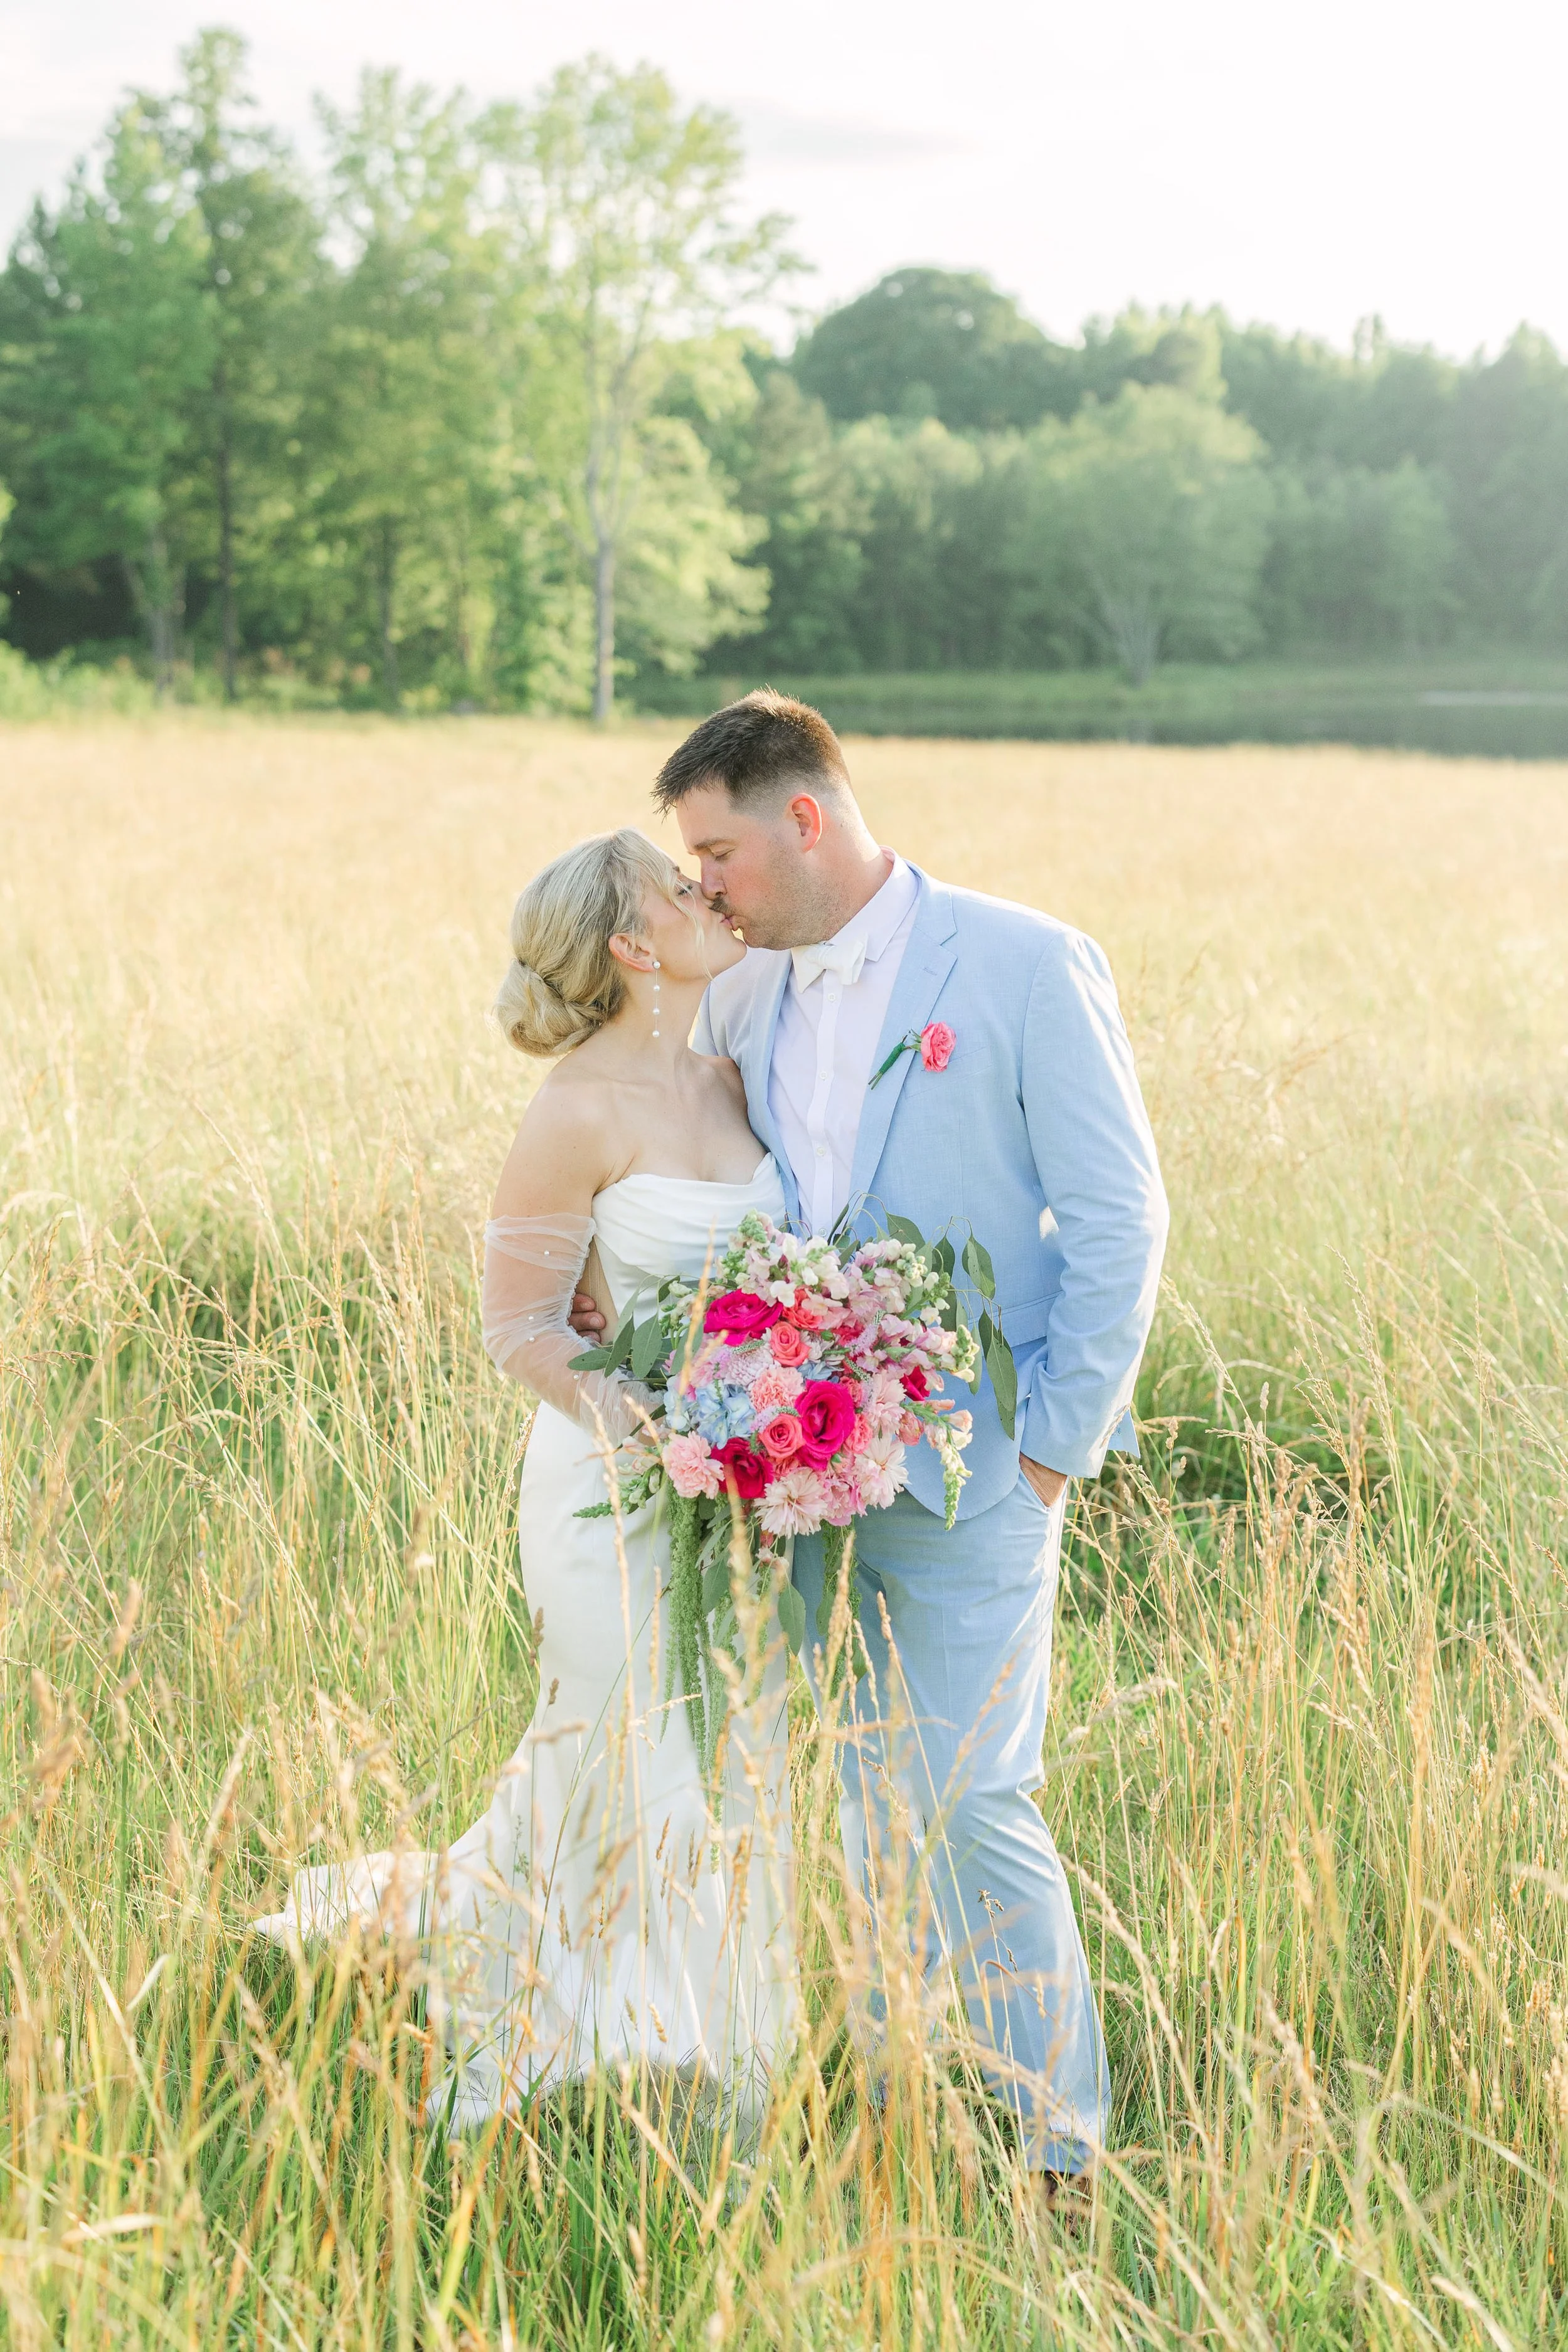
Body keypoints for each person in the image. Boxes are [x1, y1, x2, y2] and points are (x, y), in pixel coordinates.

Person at [572, 692, 1168, 2183]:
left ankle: (1055, 2148)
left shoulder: (1025, 963)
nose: (698, 883)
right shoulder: (743, 990)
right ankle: (895, 2103)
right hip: (784, 1476)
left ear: (805, 819)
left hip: (976, 1470)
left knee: (971, 1792)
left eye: (714, 850)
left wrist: (1052, 1453)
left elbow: (1119, 1220)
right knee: (830, 1788)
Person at [257, 829, 795, 2137]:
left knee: (726, 1747)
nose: (704, 891)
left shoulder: (734, 1075)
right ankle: (615, 2030)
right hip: (607, 1488)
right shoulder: (575, 1105)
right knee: (623, 1738)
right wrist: (635, 1416)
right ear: (629, 943)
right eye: (679, 886)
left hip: (741, 1487)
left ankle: (711, 2020)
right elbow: (518, 1324)